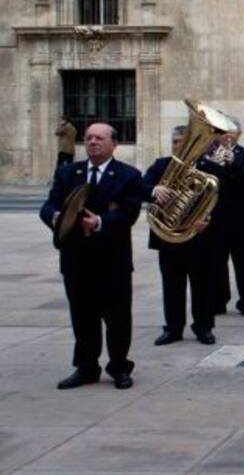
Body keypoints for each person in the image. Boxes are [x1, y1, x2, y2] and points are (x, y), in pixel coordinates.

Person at [39, 123, 142, 390]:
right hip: (76, 259)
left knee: (118, 317)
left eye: (99, 138)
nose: (93, 142)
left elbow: (129, 213)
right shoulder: (67, 173)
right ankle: (86, 367)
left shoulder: (128, 175)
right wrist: (55, 217)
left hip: (112, 260)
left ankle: (119, 367)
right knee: (83, 316)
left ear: (113, 144)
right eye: (89, 138)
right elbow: (48, 205)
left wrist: (99, 222)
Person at [144, 125, 220, 346]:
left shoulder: (209, 168)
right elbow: (139, 186)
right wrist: (153, 190)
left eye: (182, 141)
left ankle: (204, 327)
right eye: (175, 141)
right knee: (172, 285)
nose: (178, 145)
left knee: (202, 286)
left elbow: (220, 200)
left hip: (199, 238)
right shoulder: (161, 165)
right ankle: (173, 328)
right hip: (169, 238)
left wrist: (207, 219)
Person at [214, 127, 244, 318]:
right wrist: (214, 165)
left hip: (239, 217)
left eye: (231, 133)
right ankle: (220, 299)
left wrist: (233, 164)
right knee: (218, 262)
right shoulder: (210, 155)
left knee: (242, 262)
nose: (228, 136)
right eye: (224, 132)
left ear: (238, 134)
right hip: (217, 217)